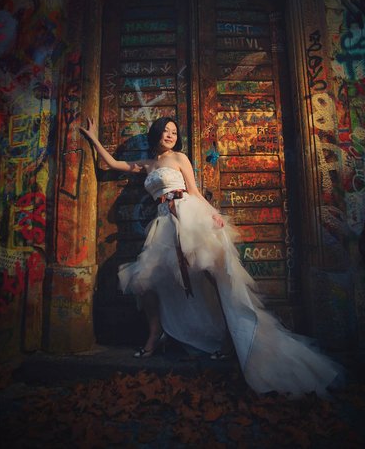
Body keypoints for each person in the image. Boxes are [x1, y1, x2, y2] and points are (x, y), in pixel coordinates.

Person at [80, 116, 343, 397]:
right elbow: (112, 164)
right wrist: (93, 139)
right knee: (145, 281)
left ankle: (231, 335)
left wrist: (213, 214)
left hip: (187, 214)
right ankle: (154, 335)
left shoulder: (179, 157)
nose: (170, 134)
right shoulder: (147, 164)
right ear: (155, 133)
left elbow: (193, 190)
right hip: (164, 223)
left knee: (209, 272)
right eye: (165, 130)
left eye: (173, 131)